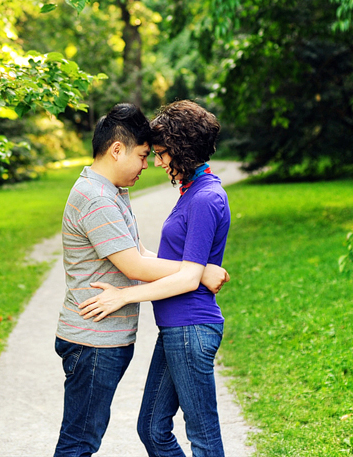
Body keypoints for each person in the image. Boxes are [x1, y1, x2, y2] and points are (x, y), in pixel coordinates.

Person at [54, 103, 229, 457]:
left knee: (188, 433)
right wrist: (197, 271)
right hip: (116, 336)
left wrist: (189, 273)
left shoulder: (198, 196)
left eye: (159, 154)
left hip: (179, 327)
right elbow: (137, 261)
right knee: (121, 434)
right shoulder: (101, 197)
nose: (152, 164)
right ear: (117, 150)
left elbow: (147, 258)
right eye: (147, 154)